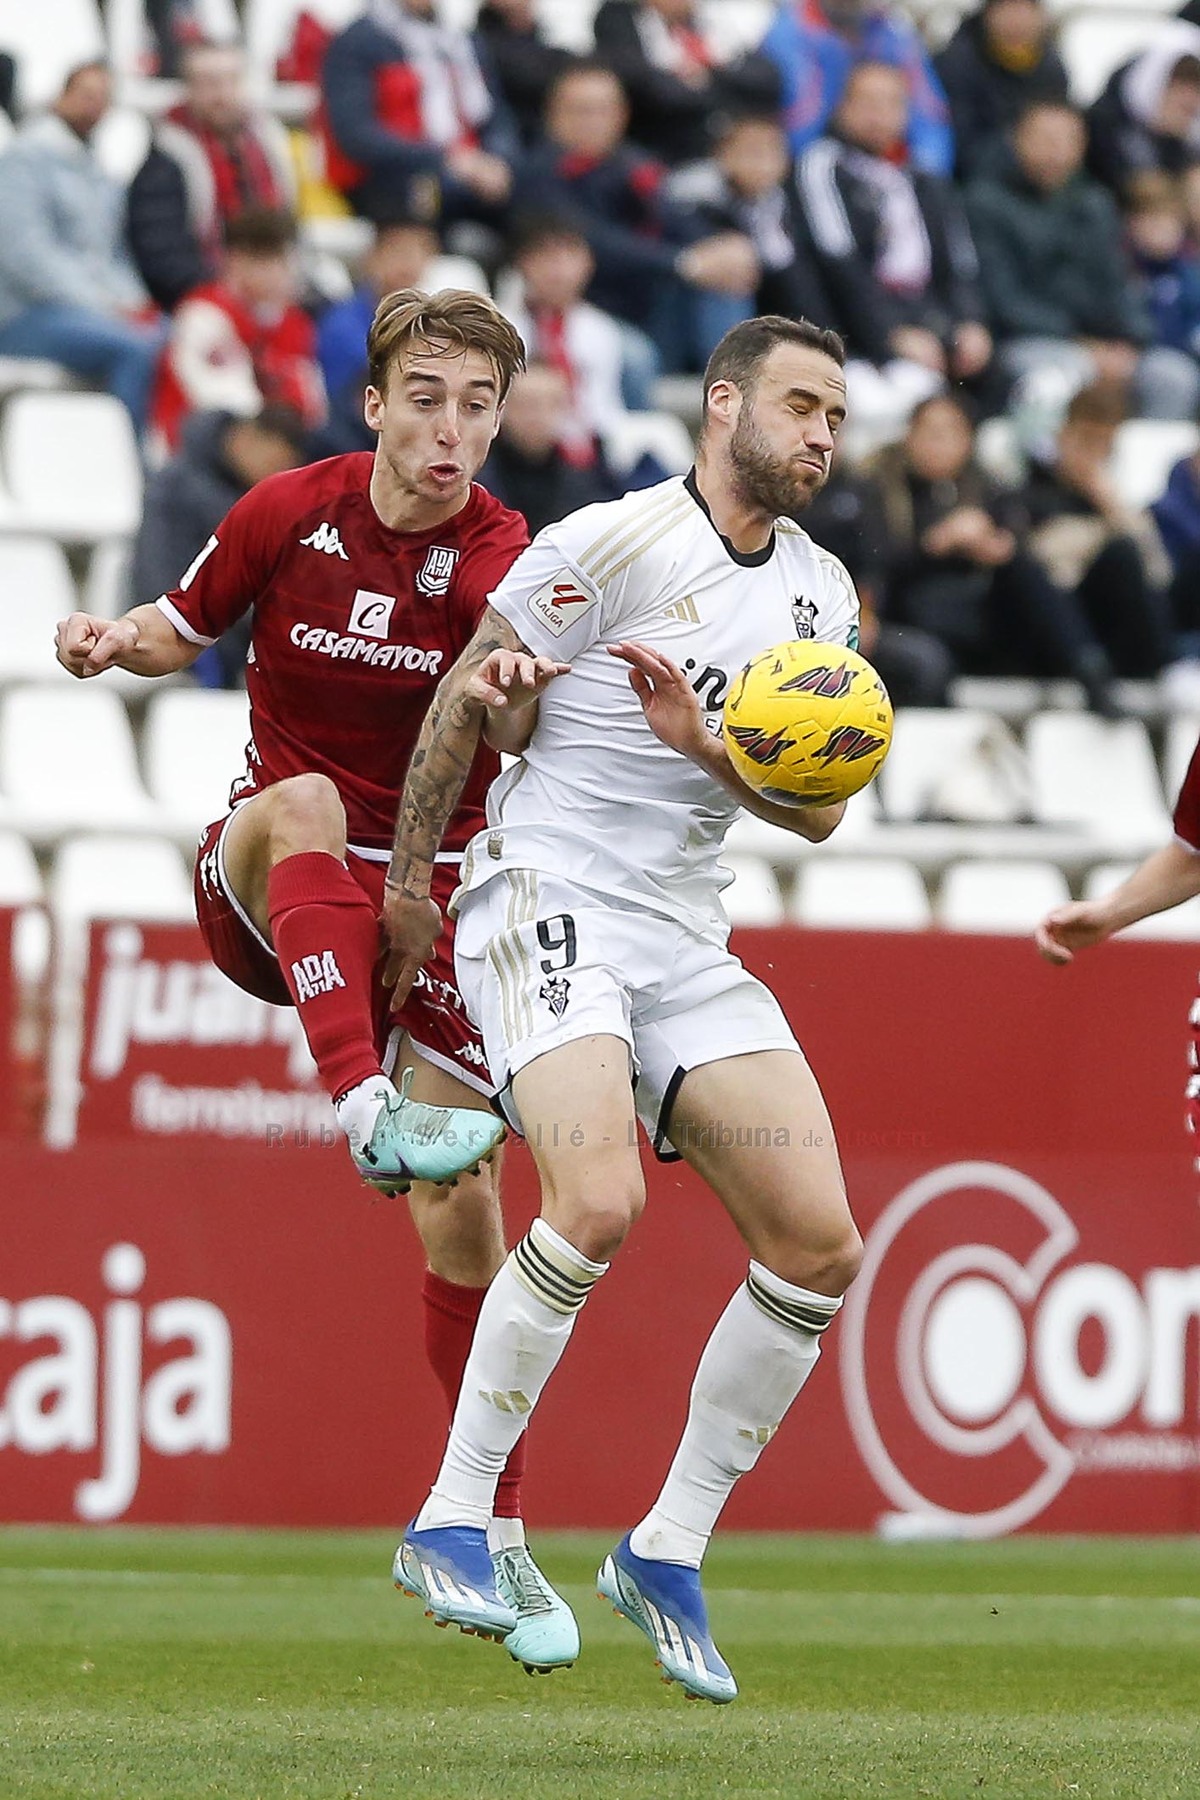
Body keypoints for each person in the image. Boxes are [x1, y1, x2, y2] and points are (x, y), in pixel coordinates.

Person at [53, 288, 577, 1675]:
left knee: (471, 1223)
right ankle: (361, 1116)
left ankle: (490, 1532)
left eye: (478, 404)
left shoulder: (498, 556)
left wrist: (516, 684)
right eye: (427, 397)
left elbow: (510, 713)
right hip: (270, 887)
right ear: (374, 404)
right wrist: (113, 638)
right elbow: (182, 622)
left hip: (427, 910)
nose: (452, 428)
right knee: (294, 806)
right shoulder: (292, 510)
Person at [381, 314, 864, 1701]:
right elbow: (471, 696)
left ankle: (665, 1548)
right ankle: (452, 1516)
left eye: (837, 414)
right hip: (545, 894)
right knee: (597, 1207)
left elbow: (821, 814)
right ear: (725, 405)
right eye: (802, 406)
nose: (824, 435)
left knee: (821, 1244)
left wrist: (706, 744)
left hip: (681, 936)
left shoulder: (825, 597)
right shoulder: (613, 542)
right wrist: (414, 888)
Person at [872, 391, 1122, 711]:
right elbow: (874, 567)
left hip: (981, 614)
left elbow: (1016, 545)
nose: (940, 444)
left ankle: (1088, 664)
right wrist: (935, 545)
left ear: (968, 441)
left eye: (952, 433)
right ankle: (1085, 662)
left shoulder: (986, 487)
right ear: (910, 435)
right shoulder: (880, 487)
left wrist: (993, 548)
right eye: (932, 433)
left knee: (1021, 565)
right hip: (915, 613)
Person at [522, 61, 759, 368]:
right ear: (553, 114)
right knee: (635, 356)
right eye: (582, 110)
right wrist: (683, 263)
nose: (593, 121)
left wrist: (720, 246)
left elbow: (675, 218)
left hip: (654, 297)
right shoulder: (537, 174)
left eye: (604, 110)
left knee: (728, 275)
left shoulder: (633, 164)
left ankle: (740, 392)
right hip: (590, 306)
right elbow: (593, 240)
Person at [795, 62, 991, 420]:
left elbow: (959, 263)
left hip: (928, 322)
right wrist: (891, 335)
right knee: (894, 402)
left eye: (891, 104)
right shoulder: (821, 166)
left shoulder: (924, 177)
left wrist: (970, 322)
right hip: (849, 335)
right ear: (842, 107)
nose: (879, 115)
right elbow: (839, 264)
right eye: (867, 103)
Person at [0, 62, 165, 433]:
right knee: (135, 349)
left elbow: (111, 253)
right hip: (24, 316)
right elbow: (26, 256)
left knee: (173, 334)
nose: (93, 106)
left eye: (103, 99)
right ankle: (129, 465)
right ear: (61, 96)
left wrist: (134, 304)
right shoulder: (22, 160)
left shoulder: (95, 168)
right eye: (85, 95)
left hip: (85, 311)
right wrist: (103, 306)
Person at [966, 99, 1154, 406]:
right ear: (1017, 140)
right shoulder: (985, 202)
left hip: (1101, 344)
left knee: (1169, 377)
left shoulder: (1096, 203)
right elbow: (1003, 300)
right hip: (1024, 342)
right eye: (1046, 139)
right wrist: (1083, 344)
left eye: (1070, 140)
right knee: (1061, 377)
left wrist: (1131, 340)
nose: (1058, 151)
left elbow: (1120, 281)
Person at [130, 405, 311, 688]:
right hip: (183, 631)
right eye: (273, 465)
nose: (275, 476)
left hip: (238, 635)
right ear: (247, 439)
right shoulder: (177, 485)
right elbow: (156, 571)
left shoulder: (261, 498)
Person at [127, 39, 297, 314]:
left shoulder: (269, 148)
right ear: (189, 89)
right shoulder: (165, 160)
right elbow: (163, 258)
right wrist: (228, 292)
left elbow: (289, 230)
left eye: (232, 81)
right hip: (197, 302)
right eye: (209, 83)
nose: (222, 94)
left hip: (272, 295)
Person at [1020, 380, 1174, 679]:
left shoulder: (1117, 502)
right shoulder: (1032, 490)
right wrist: (1101, 532)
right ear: (1064, 434)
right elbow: (1044, 568)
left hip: (1117, 635)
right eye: (1087, 440)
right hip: (1055, 637)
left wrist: (1109, 507)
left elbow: (1157, 573)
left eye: (1105, 443)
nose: (1094, 455)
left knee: (1124, 555)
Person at [320, 0, 518, 228]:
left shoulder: (462, 41)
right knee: (424, 196)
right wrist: (445, 159)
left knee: (536, 188)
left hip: (473, 170)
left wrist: (498, 161)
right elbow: (356, 134)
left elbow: (495, 117)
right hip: (397, 176)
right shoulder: (357, 43)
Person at [153, 207, 327, 452]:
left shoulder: (293, 322)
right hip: (193, 455)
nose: (279, 274)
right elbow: (225, 406)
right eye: (265, 262)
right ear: (235, 261)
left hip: (272, 454)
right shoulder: (204, 315)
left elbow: (312, 407)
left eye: (283, 262)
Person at [759, 0, 953, 175]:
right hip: (810, 171)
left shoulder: (891, 33)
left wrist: (922, 182)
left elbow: (931, 122)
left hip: (882, 174)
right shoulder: (789, 34)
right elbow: (795, 136)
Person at [592, 0, 780, 166]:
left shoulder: (712, 21)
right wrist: (715, 86)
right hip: (661, 155)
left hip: (723, 154)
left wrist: (708, 74)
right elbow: (653, 91)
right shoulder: (619, 19)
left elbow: (766, 79)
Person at [477, 359, 618, 533]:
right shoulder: (473, 482)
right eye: (527, 403)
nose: (537, 415)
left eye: (551, 404)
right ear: (502, 407)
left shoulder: (587, 484)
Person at [935, 0, 1068, 180]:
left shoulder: (1051, 67)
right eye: (1008, 7)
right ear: (988, 13)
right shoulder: (956, 63)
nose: (1017, 19)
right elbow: (960, 144)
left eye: (1024, 9)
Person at [1086, 24, 1200, 200]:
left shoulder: (1186, 144)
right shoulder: (1103, 125)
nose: (1190, 100)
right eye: (1180, 83)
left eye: (1197, 88)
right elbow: (1139, 189)